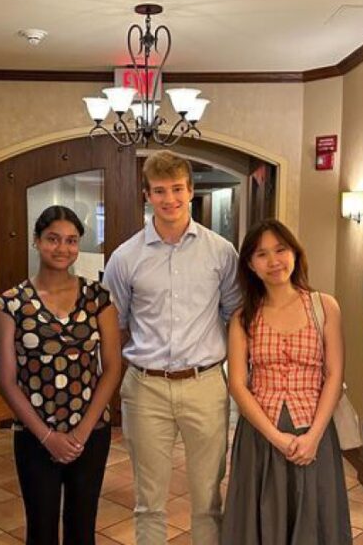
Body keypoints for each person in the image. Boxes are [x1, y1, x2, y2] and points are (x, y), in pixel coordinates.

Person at [103, 151, 240, 545]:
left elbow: (234, 316)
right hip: (146, 389)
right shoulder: (126, 257)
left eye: (177, 189)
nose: (170, 199)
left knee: (208, 500)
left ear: (191, 191)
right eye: (160, 191)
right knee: (148, 502)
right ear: (147, 195)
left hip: (205, 385)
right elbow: (117, 325)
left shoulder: (220, 252)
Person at [0, 205, 123, 545]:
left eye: (71, 240)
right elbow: (6, 380)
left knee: (83, 527)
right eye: (53, 239)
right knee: (41, 528)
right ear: (37, 241)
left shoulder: (98, 298)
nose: (62, 248)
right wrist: (47, 436)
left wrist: (80, 433)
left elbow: (111, 366)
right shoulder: (11, 304)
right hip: (35, 434)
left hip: (90, 432)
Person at [222, 219, 352, 544]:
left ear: (295, 253)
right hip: (260, 435)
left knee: (314, 518)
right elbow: (237, 383)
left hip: (314, 431)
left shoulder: (324, 306)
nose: (274, 261)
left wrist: (313, 437)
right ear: (251, 265)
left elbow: (335, 374)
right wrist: (276, 438)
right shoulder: (243, 317)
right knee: (261, 518)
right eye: (262, 254)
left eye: (280, 250)